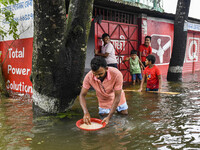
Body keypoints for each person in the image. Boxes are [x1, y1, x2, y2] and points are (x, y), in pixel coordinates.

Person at [79, 56, 128, 125]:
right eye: (94, 74)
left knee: (124, 115)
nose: (97, 77)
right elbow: (82, 95)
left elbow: (117, 96)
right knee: (104, 122)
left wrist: (110, 116)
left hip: (118, 98)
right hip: (103, 100)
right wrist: (86, 112)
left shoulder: (117, 74)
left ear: (106, 69)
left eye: (100, 74)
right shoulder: (88, 76)